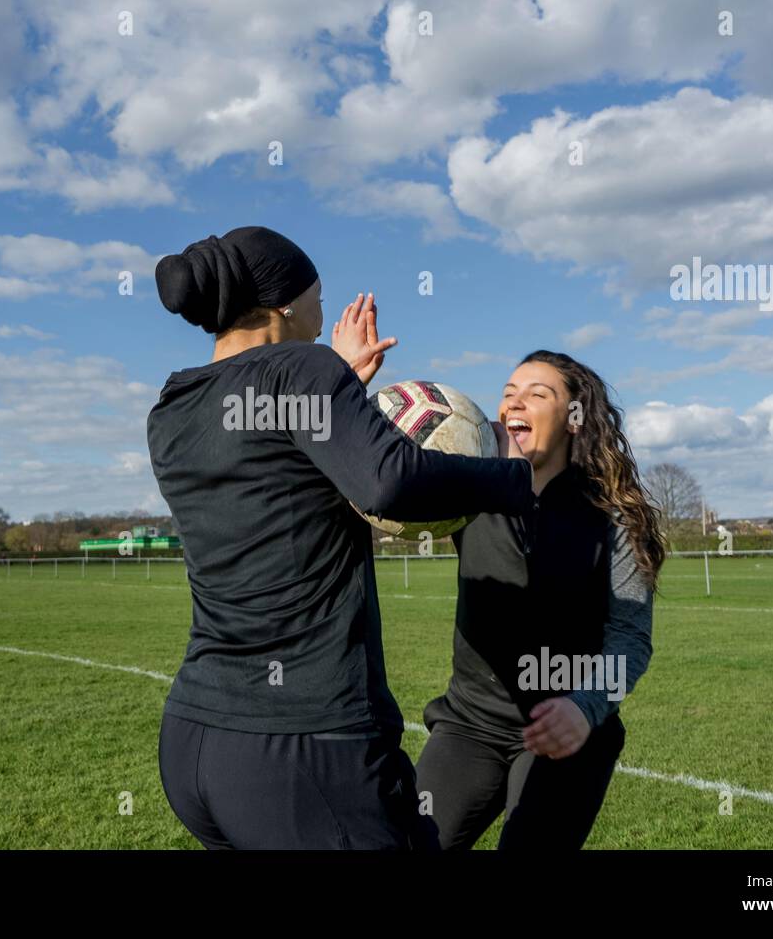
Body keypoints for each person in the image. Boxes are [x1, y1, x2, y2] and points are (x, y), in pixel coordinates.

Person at [146, 225, 534, 849]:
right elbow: (388, 483)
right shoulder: (302, 367)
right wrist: (518, 476)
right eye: (318, 298)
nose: (324, 314)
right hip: (304, 745)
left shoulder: (174, 404)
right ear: (285, 307)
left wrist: (343, 383)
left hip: (196, 738)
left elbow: (275, 472)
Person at [414, 350, 665, 850]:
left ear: (575, 418)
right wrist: (348, 388)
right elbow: (386, 481)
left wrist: (584, 707)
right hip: (470, 725)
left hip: (568, 729)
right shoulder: (472, 487)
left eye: (537, 394)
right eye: (508, 394)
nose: (514, 404)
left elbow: (630, 637)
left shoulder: (612, 515)